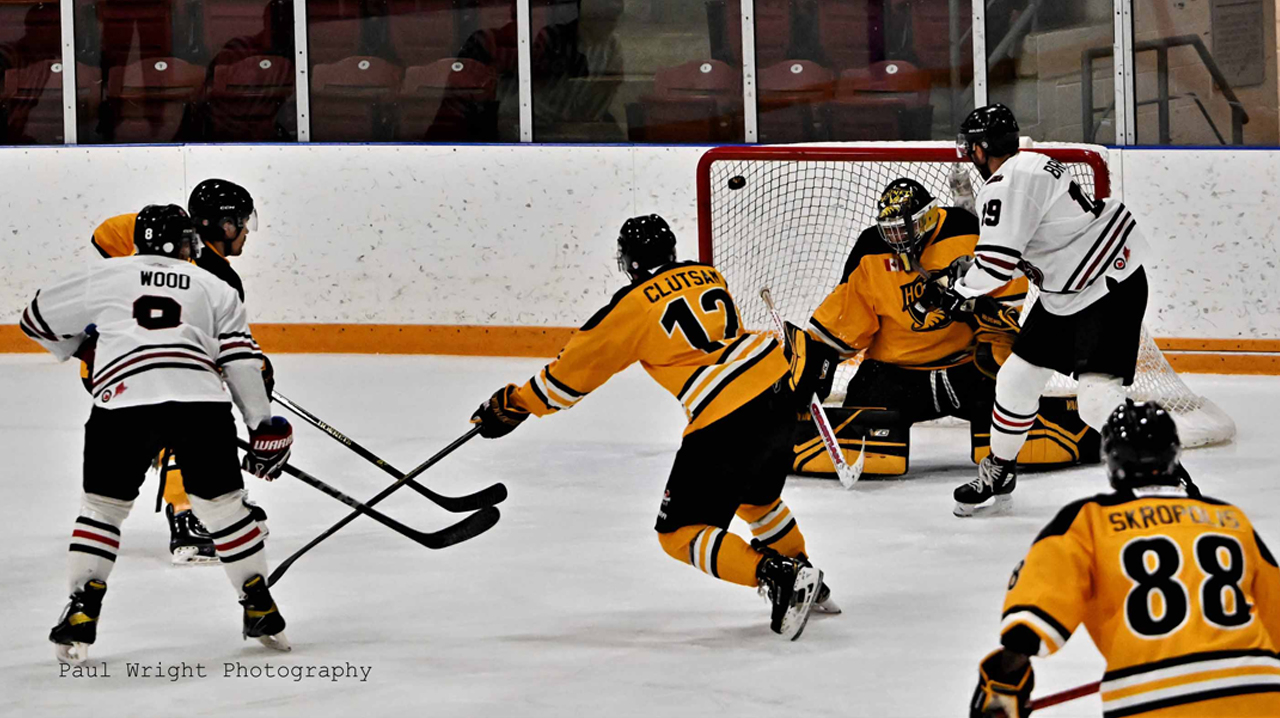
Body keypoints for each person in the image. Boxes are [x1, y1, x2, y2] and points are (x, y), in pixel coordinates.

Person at [468, 214, 836, 640]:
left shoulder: (631, 305)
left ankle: (777, 576)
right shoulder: (706, 274)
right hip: (780, 390)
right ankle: (807, 576)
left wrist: (514, 404)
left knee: (679, 533)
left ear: (629, 261)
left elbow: (568, 379)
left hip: (727, 413)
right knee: (758, 500)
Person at [21, 204, 294, 664]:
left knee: (102, 510)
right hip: (200, 405)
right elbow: (240, 364)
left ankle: (83, 608)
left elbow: (34, 320)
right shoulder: (214, 285)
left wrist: (81, 345)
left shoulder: (106, 275)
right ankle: (258, 600)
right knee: (225, 507)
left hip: (123, 404)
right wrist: (261, 426)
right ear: (182, 243)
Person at [970, 400, 1280, 718]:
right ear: (1175, 454)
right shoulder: (1228, 519)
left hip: (1150, 701)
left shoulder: (1088, 521)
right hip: (1259, 691)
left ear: (1111, 459)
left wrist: (1004, 683)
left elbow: (1031, 623)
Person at [795, 179, 1093, 478]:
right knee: (862, 429)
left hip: (967, 369)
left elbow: (1005, 304)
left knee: (1011, 391)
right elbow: (844, 322)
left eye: (903, 228)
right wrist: (815, 360)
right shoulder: (870, 250)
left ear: (926, 217)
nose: (896, 238)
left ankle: (1090, 425)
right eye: (890, 231)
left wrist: (982, 316)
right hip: (896, 374)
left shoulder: (966, 231)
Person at [941, 103, 1152, 516]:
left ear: (982, 149)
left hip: (1108, 286)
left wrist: (959, 284)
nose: (970, 156)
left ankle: (1157, 471)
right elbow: (1020, 238)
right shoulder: (1032, 163)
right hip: (1067, 289)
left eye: (972, 148)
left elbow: (997, 267)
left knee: (1095, 400)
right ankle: (999, 470)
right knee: (1016, 380)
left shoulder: (1007, 184)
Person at [86, 179, 270, 563]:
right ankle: (186, 516)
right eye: (240, 222)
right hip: (124, 366)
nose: (246, 231)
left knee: (191, 415)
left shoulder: (206, 265)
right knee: (180, 414)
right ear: (220, 226)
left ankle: (211, 504)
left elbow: (105, 235)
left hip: (119, 358)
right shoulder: (219, 278)